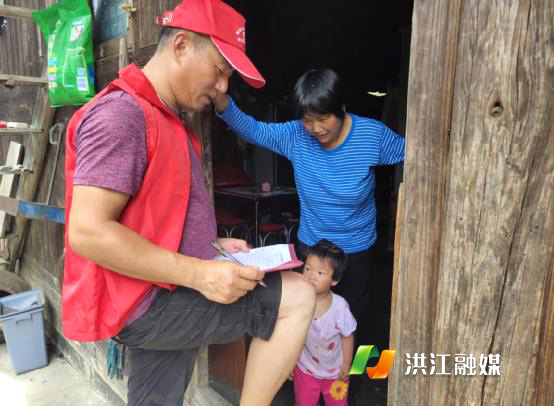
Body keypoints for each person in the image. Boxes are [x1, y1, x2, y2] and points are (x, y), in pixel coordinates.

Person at [63, 1, 315, 406]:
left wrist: (211, 247)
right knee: (299, 296)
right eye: (219, 70)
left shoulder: (165, 117)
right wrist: (200, 273)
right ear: (180, 45)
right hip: (149, 300)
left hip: (159, 289)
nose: (223, 87)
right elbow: (88, 232)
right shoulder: (122, 115)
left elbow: (151, 219)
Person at [214, 69, 405, 322]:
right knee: (309, 319)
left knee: (352, 321)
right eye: (307, 120)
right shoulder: (296, 135)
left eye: (323, 118)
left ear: (342, 108)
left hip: (356, 251)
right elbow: (253, 130)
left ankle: (354, 350)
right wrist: (220, 100)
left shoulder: (372, 136)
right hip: (312, 249)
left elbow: (416, 154)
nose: (315, 129)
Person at [291, 239, 356, 406]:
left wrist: (347, 364)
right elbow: (290, 334)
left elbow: (348, 336)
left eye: (320, 273)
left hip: (335, 372)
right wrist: (289, 363)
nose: (311, 276)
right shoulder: (297, 301)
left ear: (335, 280)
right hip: (305, 368)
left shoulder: (340, 307)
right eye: (307, 268)